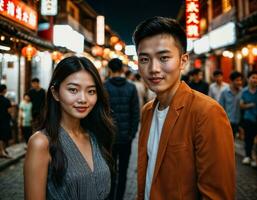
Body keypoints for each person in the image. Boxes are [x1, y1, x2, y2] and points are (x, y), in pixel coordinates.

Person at [133, 16, 235, 200]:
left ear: (183, 60)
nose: (154, 68)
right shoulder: (148, 111)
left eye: (164, 57)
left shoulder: (206, 112)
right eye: (145, 59)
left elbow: (217, 194)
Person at [24, 56, 115, 200]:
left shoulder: (95, 135)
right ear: (55, 93)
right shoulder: (41, 142)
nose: (83, 99)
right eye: (73, 90)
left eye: (91, 91)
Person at [104, 58, 140, 200]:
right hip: (126, 138)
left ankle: (110, 196)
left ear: (110, 70)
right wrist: (131, 133)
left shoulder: (104, 87)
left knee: (110, 170)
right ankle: (119, 197)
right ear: (122, 70)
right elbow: (136, 113)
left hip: (109, 138)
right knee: (124, 170)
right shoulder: (131, 87)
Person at [240, 70, 257, 167]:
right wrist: (250, 105)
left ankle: (255, 158)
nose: (255, 80)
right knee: (248, 139)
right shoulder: (244, 91)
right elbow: (241, 105)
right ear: (248, 79)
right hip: (248, 119)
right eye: (253, 77)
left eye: (256, 78)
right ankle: (248, 156)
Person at [219, 71, 243, 138]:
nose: (240, 82)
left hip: (239, 121)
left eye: (240, 80)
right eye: (237, 80)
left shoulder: (242, 92)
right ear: (231, 81)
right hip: (228, 122)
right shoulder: (224, 92)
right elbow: (220, 108)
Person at [0, 84, 12, 158]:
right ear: (4, 90)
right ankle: (2, 151)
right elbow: (9, 111)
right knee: (3, 136)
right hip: (4, 120)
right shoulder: (6, 100)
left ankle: (2, 150)